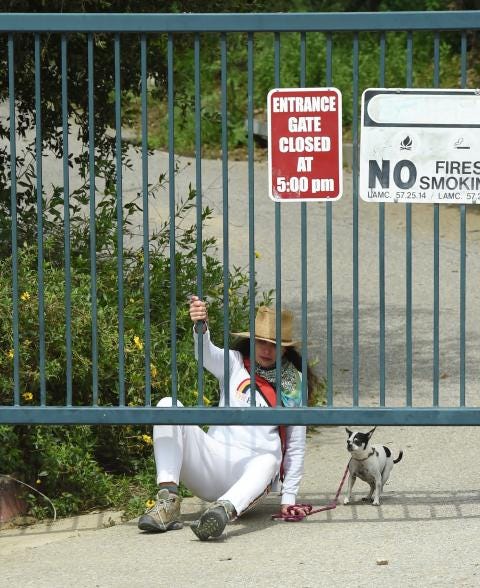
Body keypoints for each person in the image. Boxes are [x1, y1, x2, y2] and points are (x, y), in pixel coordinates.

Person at [138, 295, 316, 540]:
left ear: (285, 348)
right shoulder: (233, 363)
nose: (266, 349)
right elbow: (206, 353)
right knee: (168, 405)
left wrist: (289, 498)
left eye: (274, 344)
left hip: (252, 474)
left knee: (269, 459)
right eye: (261, 342)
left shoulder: (295, 385)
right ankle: (167, 502)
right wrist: (201, 326)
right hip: (212, 462)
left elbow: (296, 444)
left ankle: (221, 513)